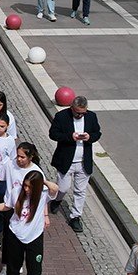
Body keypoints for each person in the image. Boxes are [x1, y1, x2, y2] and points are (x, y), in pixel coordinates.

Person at [48, 96, 101, 233]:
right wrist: (69, 137)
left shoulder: (91, 117)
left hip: (84, 161)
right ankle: (57, 200)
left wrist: (90, 137)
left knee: (80, 191)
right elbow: (53, 134)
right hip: (66, 161)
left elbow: (97, 133)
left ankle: (75, 217)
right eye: (77, 113)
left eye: (83, 113)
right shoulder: (61, 116)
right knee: (63, 188)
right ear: (71, 108)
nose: (80, 115)